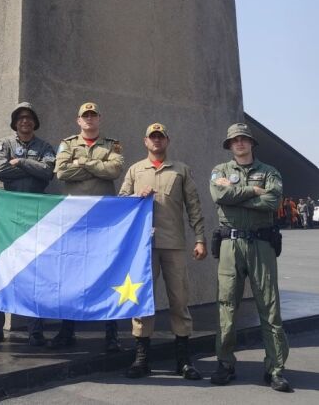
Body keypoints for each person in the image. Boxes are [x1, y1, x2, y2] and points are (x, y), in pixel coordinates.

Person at [119, 123, 207, 379]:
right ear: (145, 141)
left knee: (179, 300)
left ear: (167, 141)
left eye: (161, 137)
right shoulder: (135, 170)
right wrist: (137, 196)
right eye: (152, 137)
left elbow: (194, 206)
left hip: (174, 245)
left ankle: (183, 360)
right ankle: (142, 358)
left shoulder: (181, 170)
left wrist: (199, 239)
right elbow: (120, 201)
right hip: (143, 247)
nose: (156, 141)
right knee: (143, 301)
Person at [209, 122, 290, 391]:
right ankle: (225, 363)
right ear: (229, 145)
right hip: (230, 245)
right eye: (235, 141)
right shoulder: (219, 171)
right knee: (227, 305)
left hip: (261, 244)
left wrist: (236, 197)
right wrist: (254, 191)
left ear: (252, 143)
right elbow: (218, 194)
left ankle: (275, 369)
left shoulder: (269, 172)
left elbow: (273, 202)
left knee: (269, 306)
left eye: (244, 139)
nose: (240, 143)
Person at [0, 102, 56, 347]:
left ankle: (35, 330)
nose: (25, 121)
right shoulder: (5, 144)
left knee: (36, 270)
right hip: (7, 215)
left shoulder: (45, 147)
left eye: (29, 118)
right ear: (15, 123)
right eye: (20, 118)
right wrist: (28, 168)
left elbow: (47, 172)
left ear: (35, 122)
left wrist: (21, 163)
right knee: (0, 269)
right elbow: (0, 170)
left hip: (36, 214)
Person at [52, 102, 124, 352]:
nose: (90, 119)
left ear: (99, 119)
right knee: (71, 271)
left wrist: (83, 163)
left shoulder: (111, 144)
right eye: (85, 116)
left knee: (106, 271)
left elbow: (114, 170)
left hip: (104, 218)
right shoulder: (68, 144)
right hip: (75, 217)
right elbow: (61, 172)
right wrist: (96, 169)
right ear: (78, 120)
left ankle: (111, 332)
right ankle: (67, 329)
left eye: (93, 115)